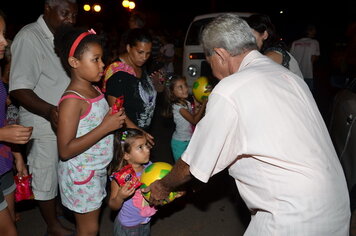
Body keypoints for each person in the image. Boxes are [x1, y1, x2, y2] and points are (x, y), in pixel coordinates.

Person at [144, 13, 350, 235]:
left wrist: (163, 186)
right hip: (335, 203)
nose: (210, 67)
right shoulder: (287, 76)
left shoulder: (230, 89)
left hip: (291, 215)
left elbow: (193, 163)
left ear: (220, 54)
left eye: (209, 58)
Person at [8, 1, 78, 235]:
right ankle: (53, 226)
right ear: (48, 8)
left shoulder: (62, 35)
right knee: (45, 177)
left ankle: (56, 214)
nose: (70, 19)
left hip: (65, 119)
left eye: (74, 14)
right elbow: (18, 88)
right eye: (65, 13)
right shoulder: (30, 37)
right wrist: (50, 111)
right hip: (43, 120)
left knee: (62, 174)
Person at [53, 25, 126, 236]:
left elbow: (94, 123)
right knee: (89, 229)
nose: (102, 65)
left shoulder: (93, 88)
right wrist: (105, 127)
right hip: (81, 175)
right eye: (95, 59)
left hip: (95, 169)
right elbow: (65, 150)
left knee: (90, 226)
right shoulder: (72, 100)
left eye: (102, 58)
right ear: (74, 62)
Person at [0, 9, 33, 236]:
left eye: (3, 33)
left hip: (3, 163)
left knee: (12, 221)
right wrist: (3, 135)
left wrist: (17, 155)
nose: (4, 41)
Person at [103, 28, 165, 147]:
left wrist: (159, 83)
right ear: (128, 48)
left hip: (141, 134)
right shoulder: (117, 73)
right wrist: (140, 132)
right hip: (125, 137)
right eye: (140, 52)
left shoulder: (142, 65)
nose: (144, 57)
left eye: (148, 53)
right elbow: (116, 111)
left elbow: (159, 90)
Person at [108, 128, 157, 236]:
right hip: (128, 227)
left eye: (146, 145)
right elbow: (112, 205)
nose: (147, 150)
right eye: (140, 147)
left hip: (145, 221)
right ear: (126, 155)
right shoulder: (120, 178)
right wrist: (120, 197)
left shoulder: (149, 168)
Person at [161, 75, 207, 162]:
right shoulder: (178, 107)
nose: (185, 89)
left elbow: (193, 116)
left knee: (189, 166)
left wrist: (197, 107)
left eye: (185, 85)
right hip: (179, 143)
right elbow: (194, 120)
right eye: (180, 87)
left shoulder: (186, 103)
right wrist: (204, 104)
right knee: (180, 168)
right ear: (172, 92)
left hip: (189, 140)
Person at [246, 14, 303, 78]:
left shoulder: (273, 55)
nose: (247, 40)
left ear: (264, 34)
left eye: (251, 36)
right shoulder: (267, 52)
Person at [290, 24, 320, 92]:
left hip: (296, 73)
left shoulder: (295, 42)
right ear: (309, 31)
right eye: (313, 30)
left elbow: (291, 58)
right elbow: (314, 58)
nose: (315, 32)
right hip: (308, 74)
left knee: (296, 93)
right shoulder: (314, 42)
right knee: (307, 95)